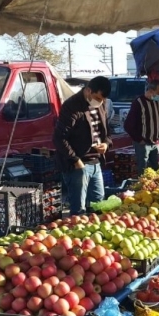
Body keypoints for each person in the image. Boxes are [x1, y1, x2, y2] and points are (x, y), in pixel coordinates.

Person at [53, 76, 112, 215]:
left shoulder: (101, 105)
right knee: (78, 210)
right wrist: (75, 159)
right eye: (98, 98)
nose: (100, 102)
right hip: (78, 165)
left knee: (99, 205)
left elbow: (107, 132)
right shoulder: (71, 106)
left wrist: (106, 144)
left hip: (96, 162)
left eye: (103, 99)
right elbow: (59, 138)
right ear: (88, 91)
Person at [124, 79, 159, 176]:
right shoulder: (138, 102)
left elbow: (158, 122)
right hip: (143, 143)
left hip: (155, 142)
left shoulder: (156, 102)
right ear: (151, 91)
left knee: (157, 167)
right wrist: (139, 139)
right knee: (143, 169)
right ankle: (143, 188)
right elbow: (128, 125)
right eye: (158, 92)